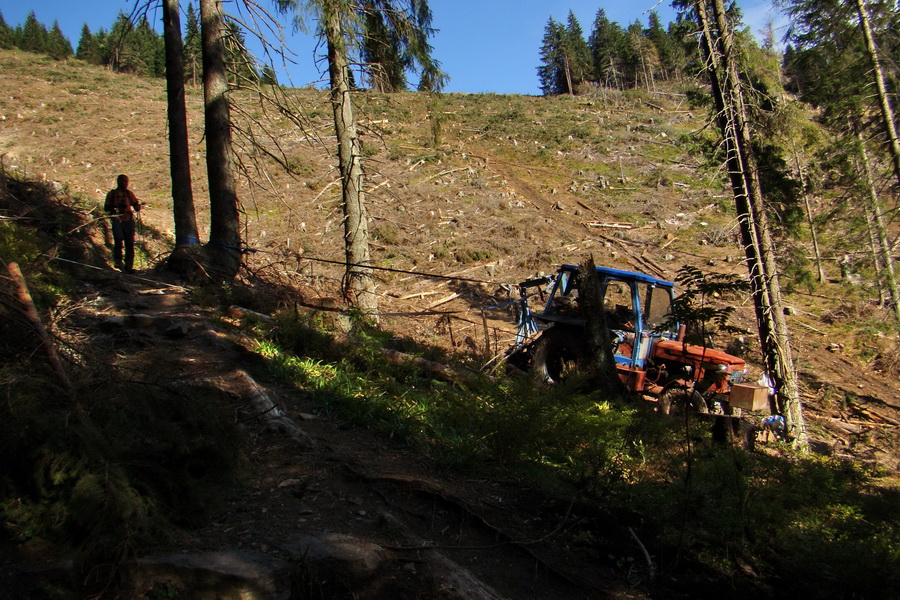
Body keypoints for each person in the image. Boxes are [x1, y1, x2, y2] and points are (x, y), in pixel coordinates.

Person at [104, 174, 142, 273]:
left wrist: (138, 206)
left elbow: (136, 206)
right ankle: (118, 262)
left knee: (129, 242)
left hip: (128, 220)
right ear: (119, 182)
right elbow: (106, 208)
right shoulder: (112, 194)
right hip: (117, 219)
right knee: (118, 239)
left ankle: (129, 266)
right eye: (124, 181)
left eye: (126, 182)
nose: (125, 184)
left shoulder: (129, 194)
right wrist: (115, 207)